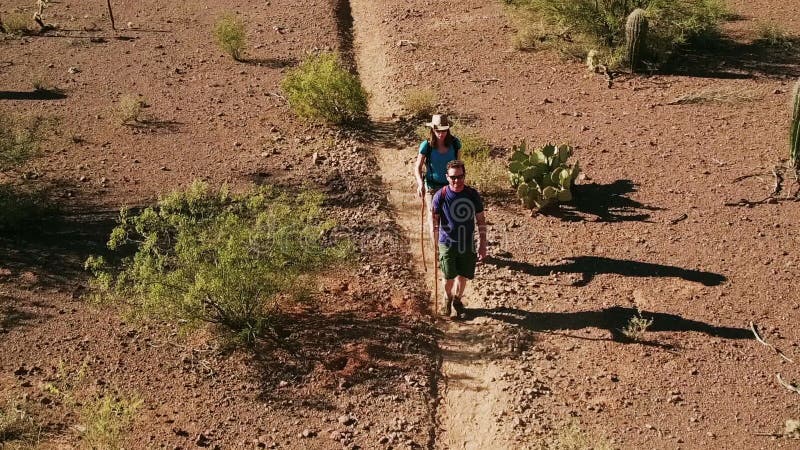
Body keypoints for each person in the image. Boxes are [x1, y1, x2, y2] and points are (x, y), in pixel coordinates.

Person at [431, 160, 487, 319]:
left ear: (464, 175)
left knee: (463, 275)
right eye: (453, 177)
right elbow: (435, 220)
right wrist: (435, 240)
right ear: (447, 177)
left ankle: (457, 300)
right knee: (448, 276)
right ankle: (447, 298)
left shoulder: (472, 195)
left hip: (467, 243)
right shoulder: (440, 195)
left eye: (460, 176)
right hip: (447, 242)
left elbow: (481, 221)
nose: (457, 180)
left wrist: (483, 245)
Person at [414, 114, 461, 243]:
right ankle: (437, 250)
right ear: (433, 130)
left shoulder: (455, 144)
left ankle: (448, 247)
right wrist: (420, 184)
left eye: (444, 130)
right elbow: (417, 167)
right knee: (434, 217)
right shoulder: (427, 146)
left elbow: (459, 167)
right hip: (432, 187)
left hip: (450, 187)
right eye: (438, 131)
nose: (441, 134)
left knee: (451, 218)